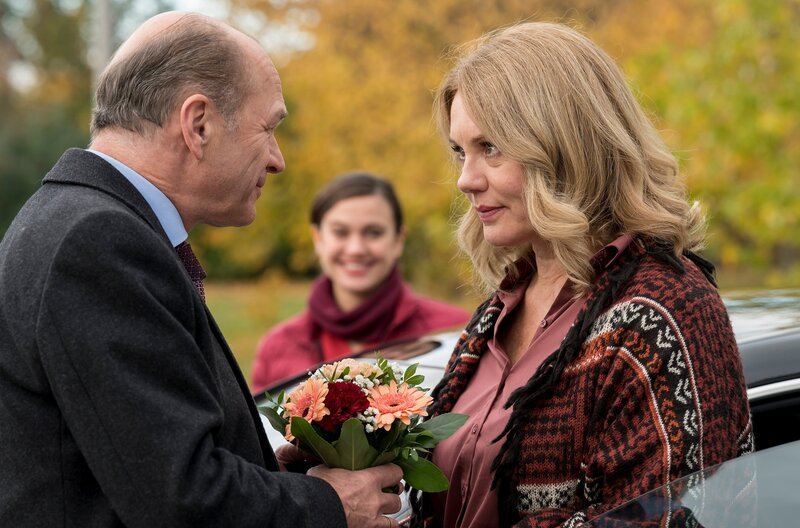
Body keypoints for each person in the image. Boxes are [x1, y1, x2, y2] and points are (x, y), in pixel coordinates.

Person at [0, 12, 403, 528]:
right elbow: (181, 500)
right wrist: (329, 506)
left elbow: (138, 461)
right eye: (269, 127)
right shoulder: (98, 242)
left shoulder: (77, 221)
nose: (278, 160)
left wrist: (268, 477)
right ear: (198, 124)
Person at [411, 22, 753, 528]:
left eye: (492, 148)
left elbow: (672, 519)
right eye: (461, 152)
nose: (465, 179)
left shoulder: (667, 310)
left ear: (565, 145)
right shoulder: (501, 309)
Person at [250, 172, 470, 393]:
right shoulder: (278, 347)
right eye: (340, 232)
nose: (356, 249)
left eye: (373, 233)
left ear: (398, 240)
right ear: (318, 239)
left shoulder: (453, 333)